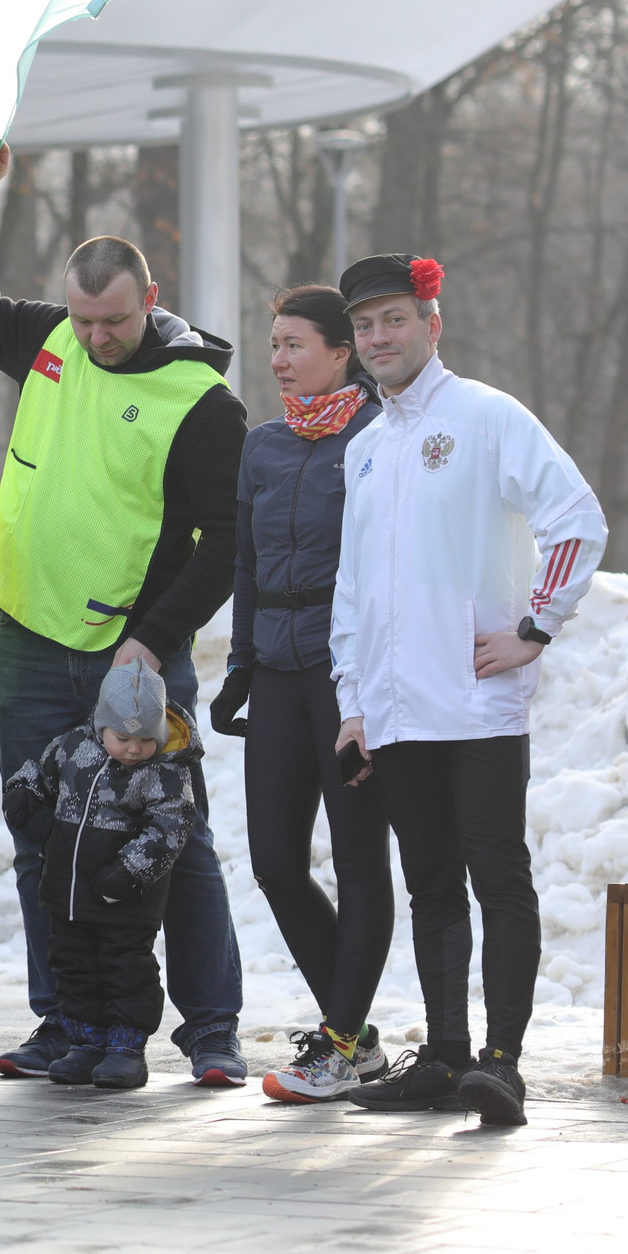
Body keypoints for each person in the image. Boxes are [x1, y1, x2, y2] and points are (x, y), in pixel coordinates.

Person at [0, 141, 249, 1086]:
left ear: (148, 301)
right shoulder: (52, 340)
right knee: (40, 834)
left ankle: (211, 1027)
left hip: (131, 657)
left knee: (172, 839)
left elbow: (228, 546)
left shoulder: (199, 400)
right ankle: (65, 1016)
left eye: (111, 320)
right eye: (81, 317)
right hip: (28, 637)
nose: (95, 336)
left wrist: (151, 643)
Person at [329, 254, 606, 1129]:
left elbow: (576, 517)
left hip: (478, 704)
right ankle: (444, 1056)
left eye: (395, 320)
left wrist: (533, 626)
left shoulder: (487, 416)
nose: (380, 339)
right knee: (431, 885)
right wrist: (353, 701)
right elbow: (354, 588)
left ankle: (501, 1062)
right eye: (365, 326)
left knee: (498, 876)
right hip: (398, 714)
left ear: (432, 322)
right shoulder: (365, 448)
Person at [212, 285, 395, 1104]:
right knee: (276, 863)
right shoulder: (264, 445)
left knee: (359, 861)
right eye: (274, 343)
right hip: (279, 671)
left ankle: (343, 1040)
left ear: (339, 353)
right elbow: (246, 562)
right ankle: (353, 1034)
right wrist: (240, 663)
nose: (279, 359)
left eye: (295, 345)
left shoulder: (377, 437)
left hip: (348, 671)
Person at [3, 661, 200, 1092]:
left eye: (146, 739)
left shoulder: (165, 770)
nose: (133, 749)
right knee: (73, 966)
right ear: (101, 725)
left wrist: (130, 871)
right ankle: (86, 1043)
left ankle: (126, 1049)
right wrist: (23, 791)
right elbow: (41, 770)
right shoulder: (74, 746)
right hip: (68, 893)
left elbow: (170, 826)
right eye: (123, 738)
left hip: (124, 898)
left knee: (125, 969)